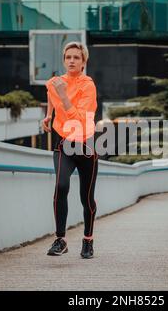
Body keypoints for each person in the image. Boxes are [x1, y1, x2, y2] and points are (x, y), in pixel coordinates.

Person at [41, 42, 98, 259]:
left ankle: (88, 240)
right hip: (63, 143)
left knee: (87, 198)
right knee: (61, 185)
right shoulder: (55, 82)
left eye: (76, 57)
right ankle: (60, 239)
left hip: (86, 145)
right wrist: (48, 115)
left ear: (84, 62)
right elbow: (51, 96)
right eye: (68, 57)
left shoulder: (88, 86)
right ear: (64, 60)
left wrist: (64, 96)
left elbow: (79, 119)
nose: (72, 61)